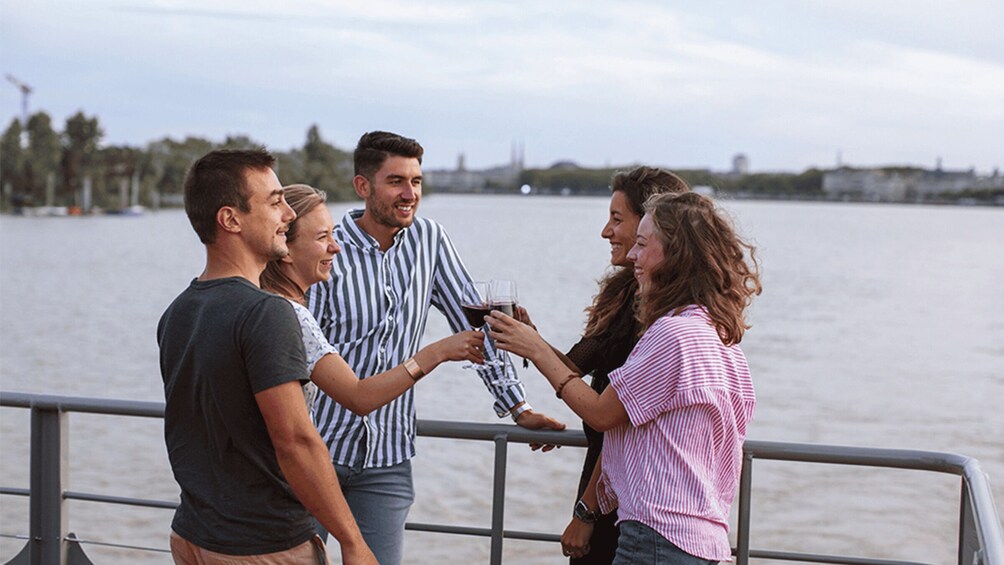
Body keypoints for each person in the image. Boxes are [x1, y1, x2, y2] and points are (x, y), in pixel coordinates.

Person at [304, 131, 565, 564]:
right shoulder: (326, 246)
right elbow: (300, 351)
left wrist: (517, 407)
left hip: (386, 459)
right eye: (396, 182)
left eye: (417, 182)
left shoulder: (430, 240)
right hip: (316, 451)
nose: (410, 194)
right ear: (363, 186)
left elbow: (475, 324)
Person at [488, 191, 762, 564]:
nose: (632, 254)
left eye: (643, 245)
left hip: (657, 539)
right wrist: (533, 343)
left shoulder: (673, 334)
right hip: (704, 541)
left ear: (675, 256)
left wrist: (535, 349)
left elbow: (601, 414)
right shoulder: (722, 338)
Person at [157, 149, 377, 565]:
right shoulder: (267, 313)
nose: (289, 215)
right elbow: (295, 440)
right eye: (275, 202)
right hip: (263, 545)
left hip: (192, 535)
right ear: (231, 219)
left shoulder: (178, 311)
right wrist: (353, 541)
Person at [516, 167, 691, 564]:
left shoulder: (661, 317)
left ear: (653, 224)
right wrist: (530, 339)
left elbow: (614, 421)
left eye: (617, 219)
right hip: (605, 484)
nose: (605, 232)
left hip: (621, 496)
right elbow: (574, 370)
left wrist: (586, 510)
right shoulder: (624, 292)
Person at [260, 184, 486, 416]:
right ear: (285, 249)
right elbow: (359, 397)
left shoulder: (263, 303)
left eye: (333, 234)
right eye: (322, 237)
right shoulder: (291, 316)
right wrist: (438, 352)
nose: (336, 247)